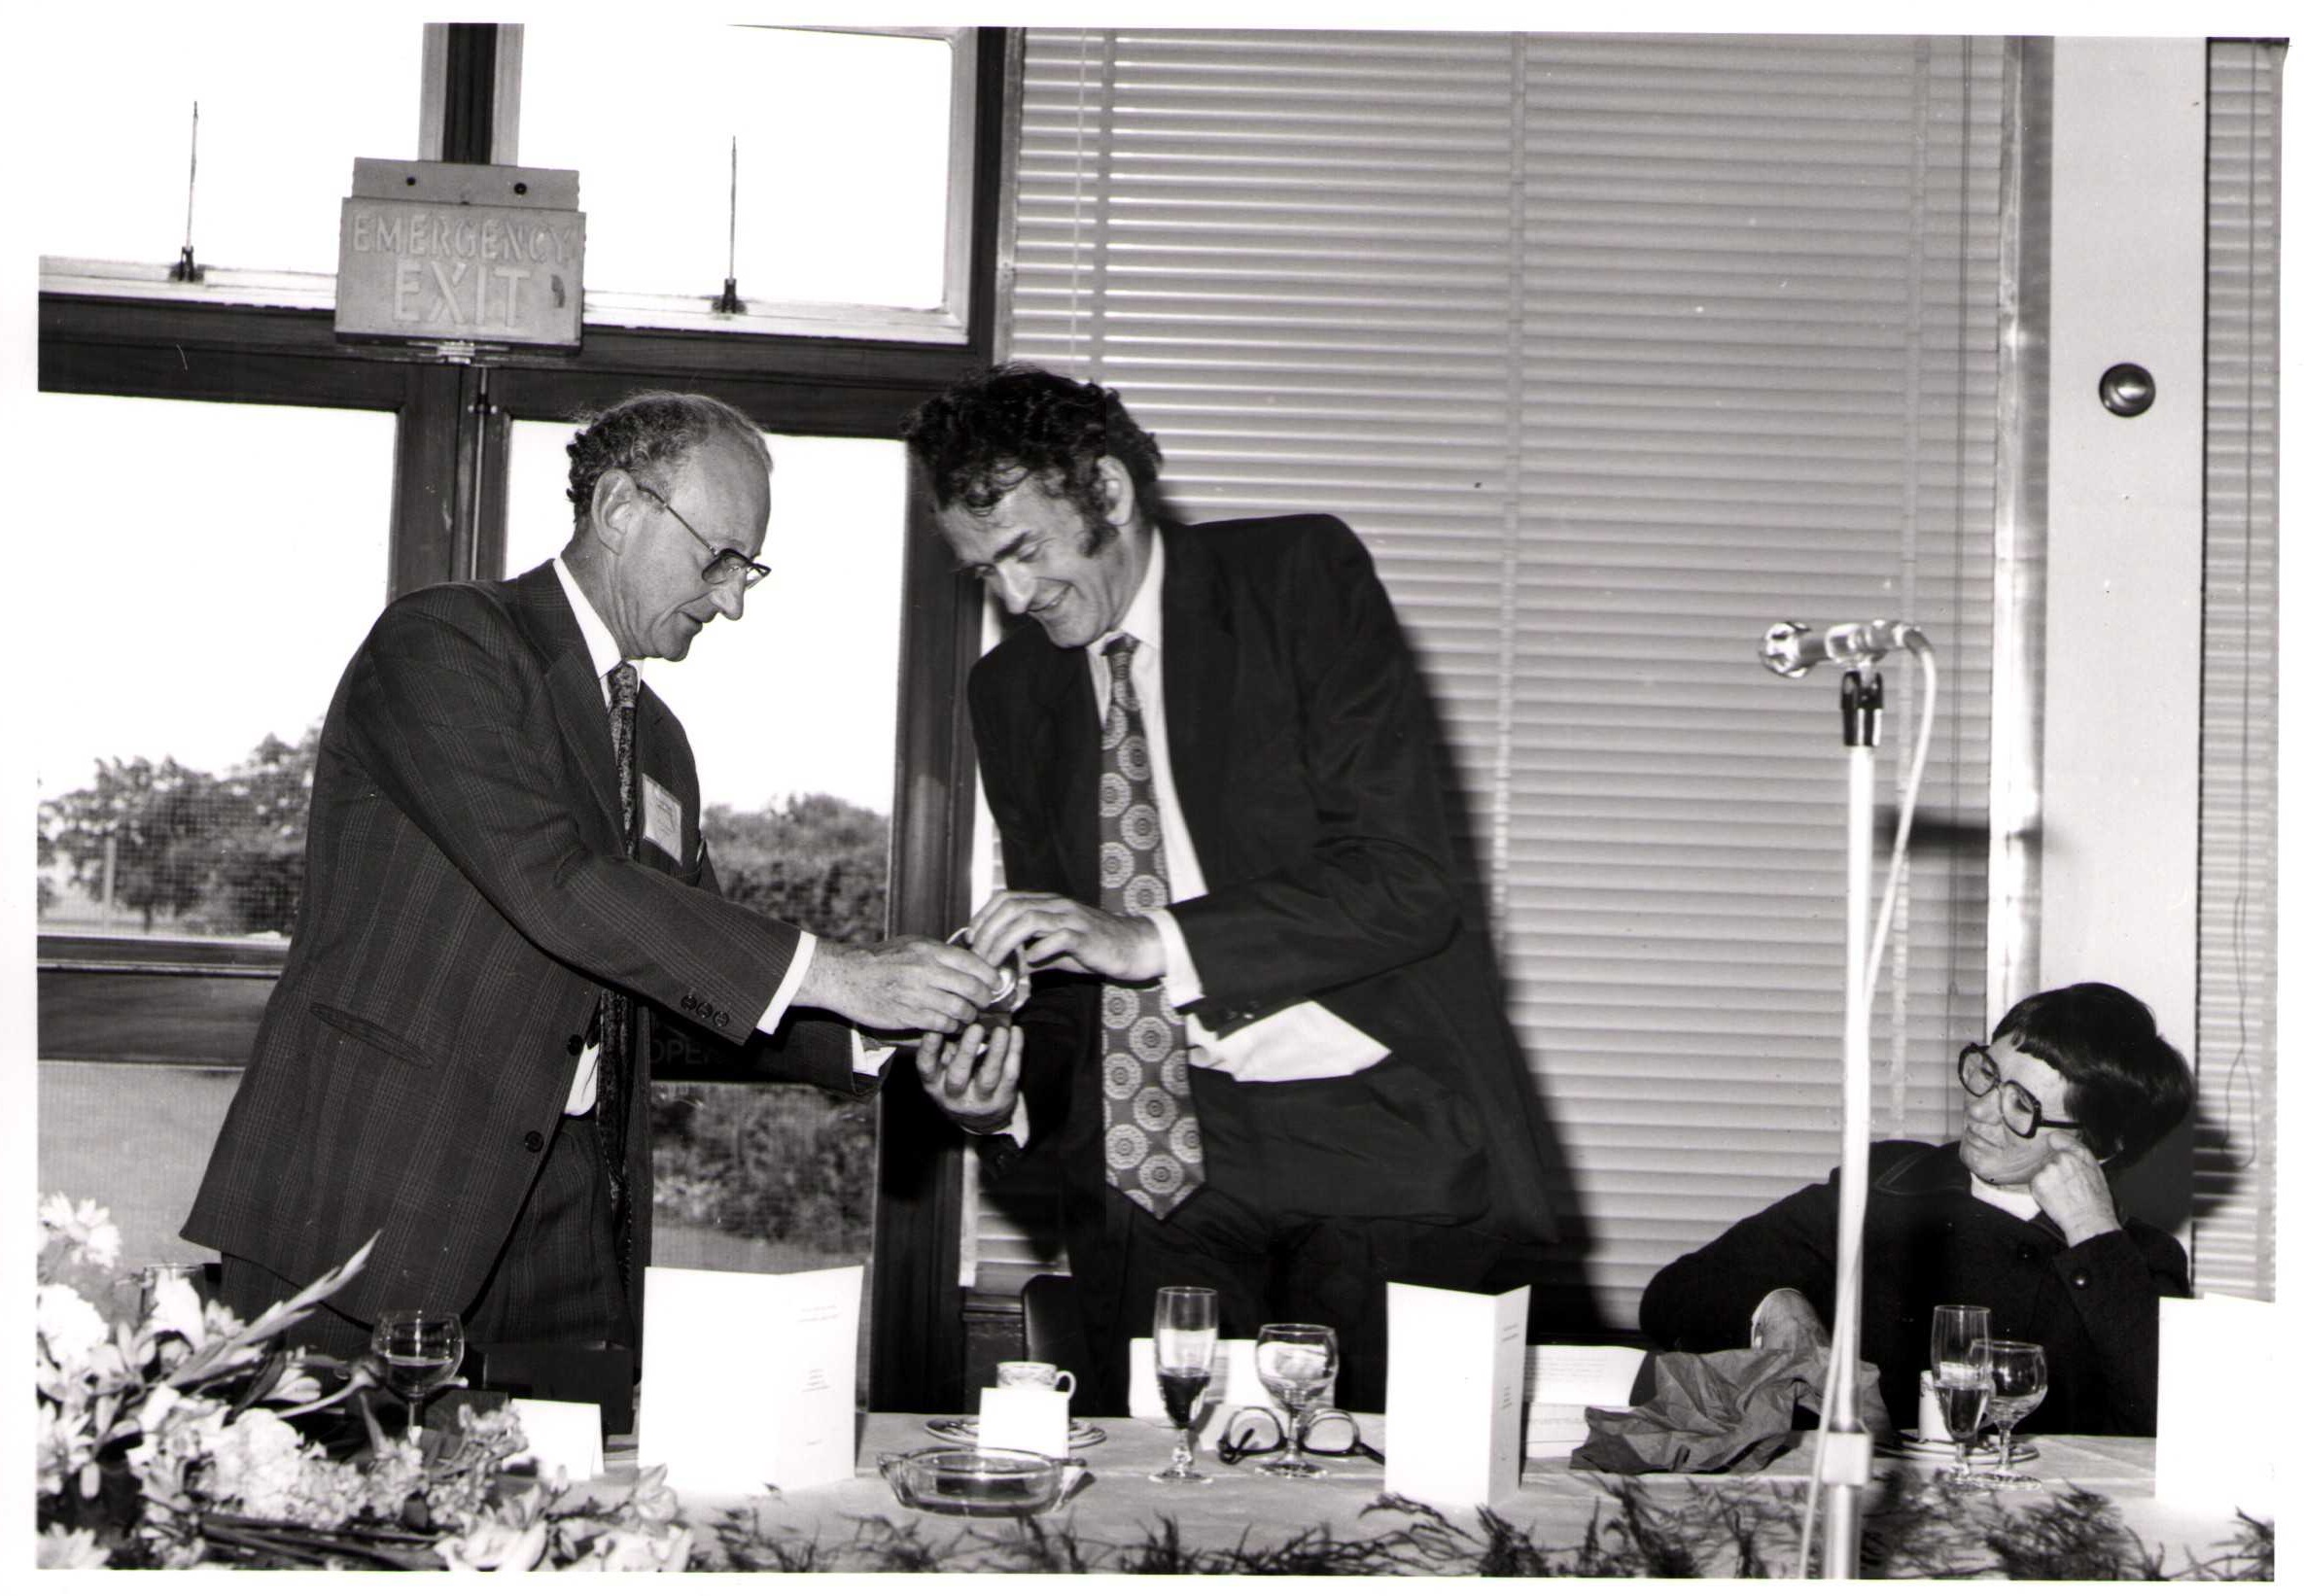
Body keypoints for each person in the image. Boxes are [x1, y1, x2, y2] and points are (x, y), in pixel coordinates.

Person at [187, 391, 996, 1360]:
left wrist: (883, 1026)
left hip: (569, 1227)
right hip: (368, 1200)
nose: (732, 602)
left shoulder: (661, 744)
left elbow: (685, 992)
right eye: (719, 559)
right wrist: (842, 971)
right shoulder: (445, 643)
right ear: (618, 508)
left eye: (748, 570)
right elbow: (553, 881)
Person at [901, 363, 1556, 1412]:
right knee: (1164, 1485)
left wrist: (1151, 941)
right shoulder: (1011, 690)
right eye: (985, 572)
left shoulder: (1295, 580)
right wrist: (1002, 1100)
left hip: (1375, 1134)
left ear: (1108, 492)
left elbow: (1406, 879)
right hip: (1161, 1158)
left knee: (1374, 1492)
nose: (1015, 598)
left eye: (1024, 551)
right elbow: (1068, 967)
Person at [1638, 982, 2194, 1436]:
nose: (1980, 1111)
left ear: (2097, 1147)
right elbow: (1673, 1295)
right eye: (1987, 1075)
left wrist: (2093, 1233)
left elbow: (2170, 1425)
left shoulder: (2137, 1259)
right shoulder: (1891, 1183)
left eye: (2021, 1105)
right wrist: (1777, 1309)